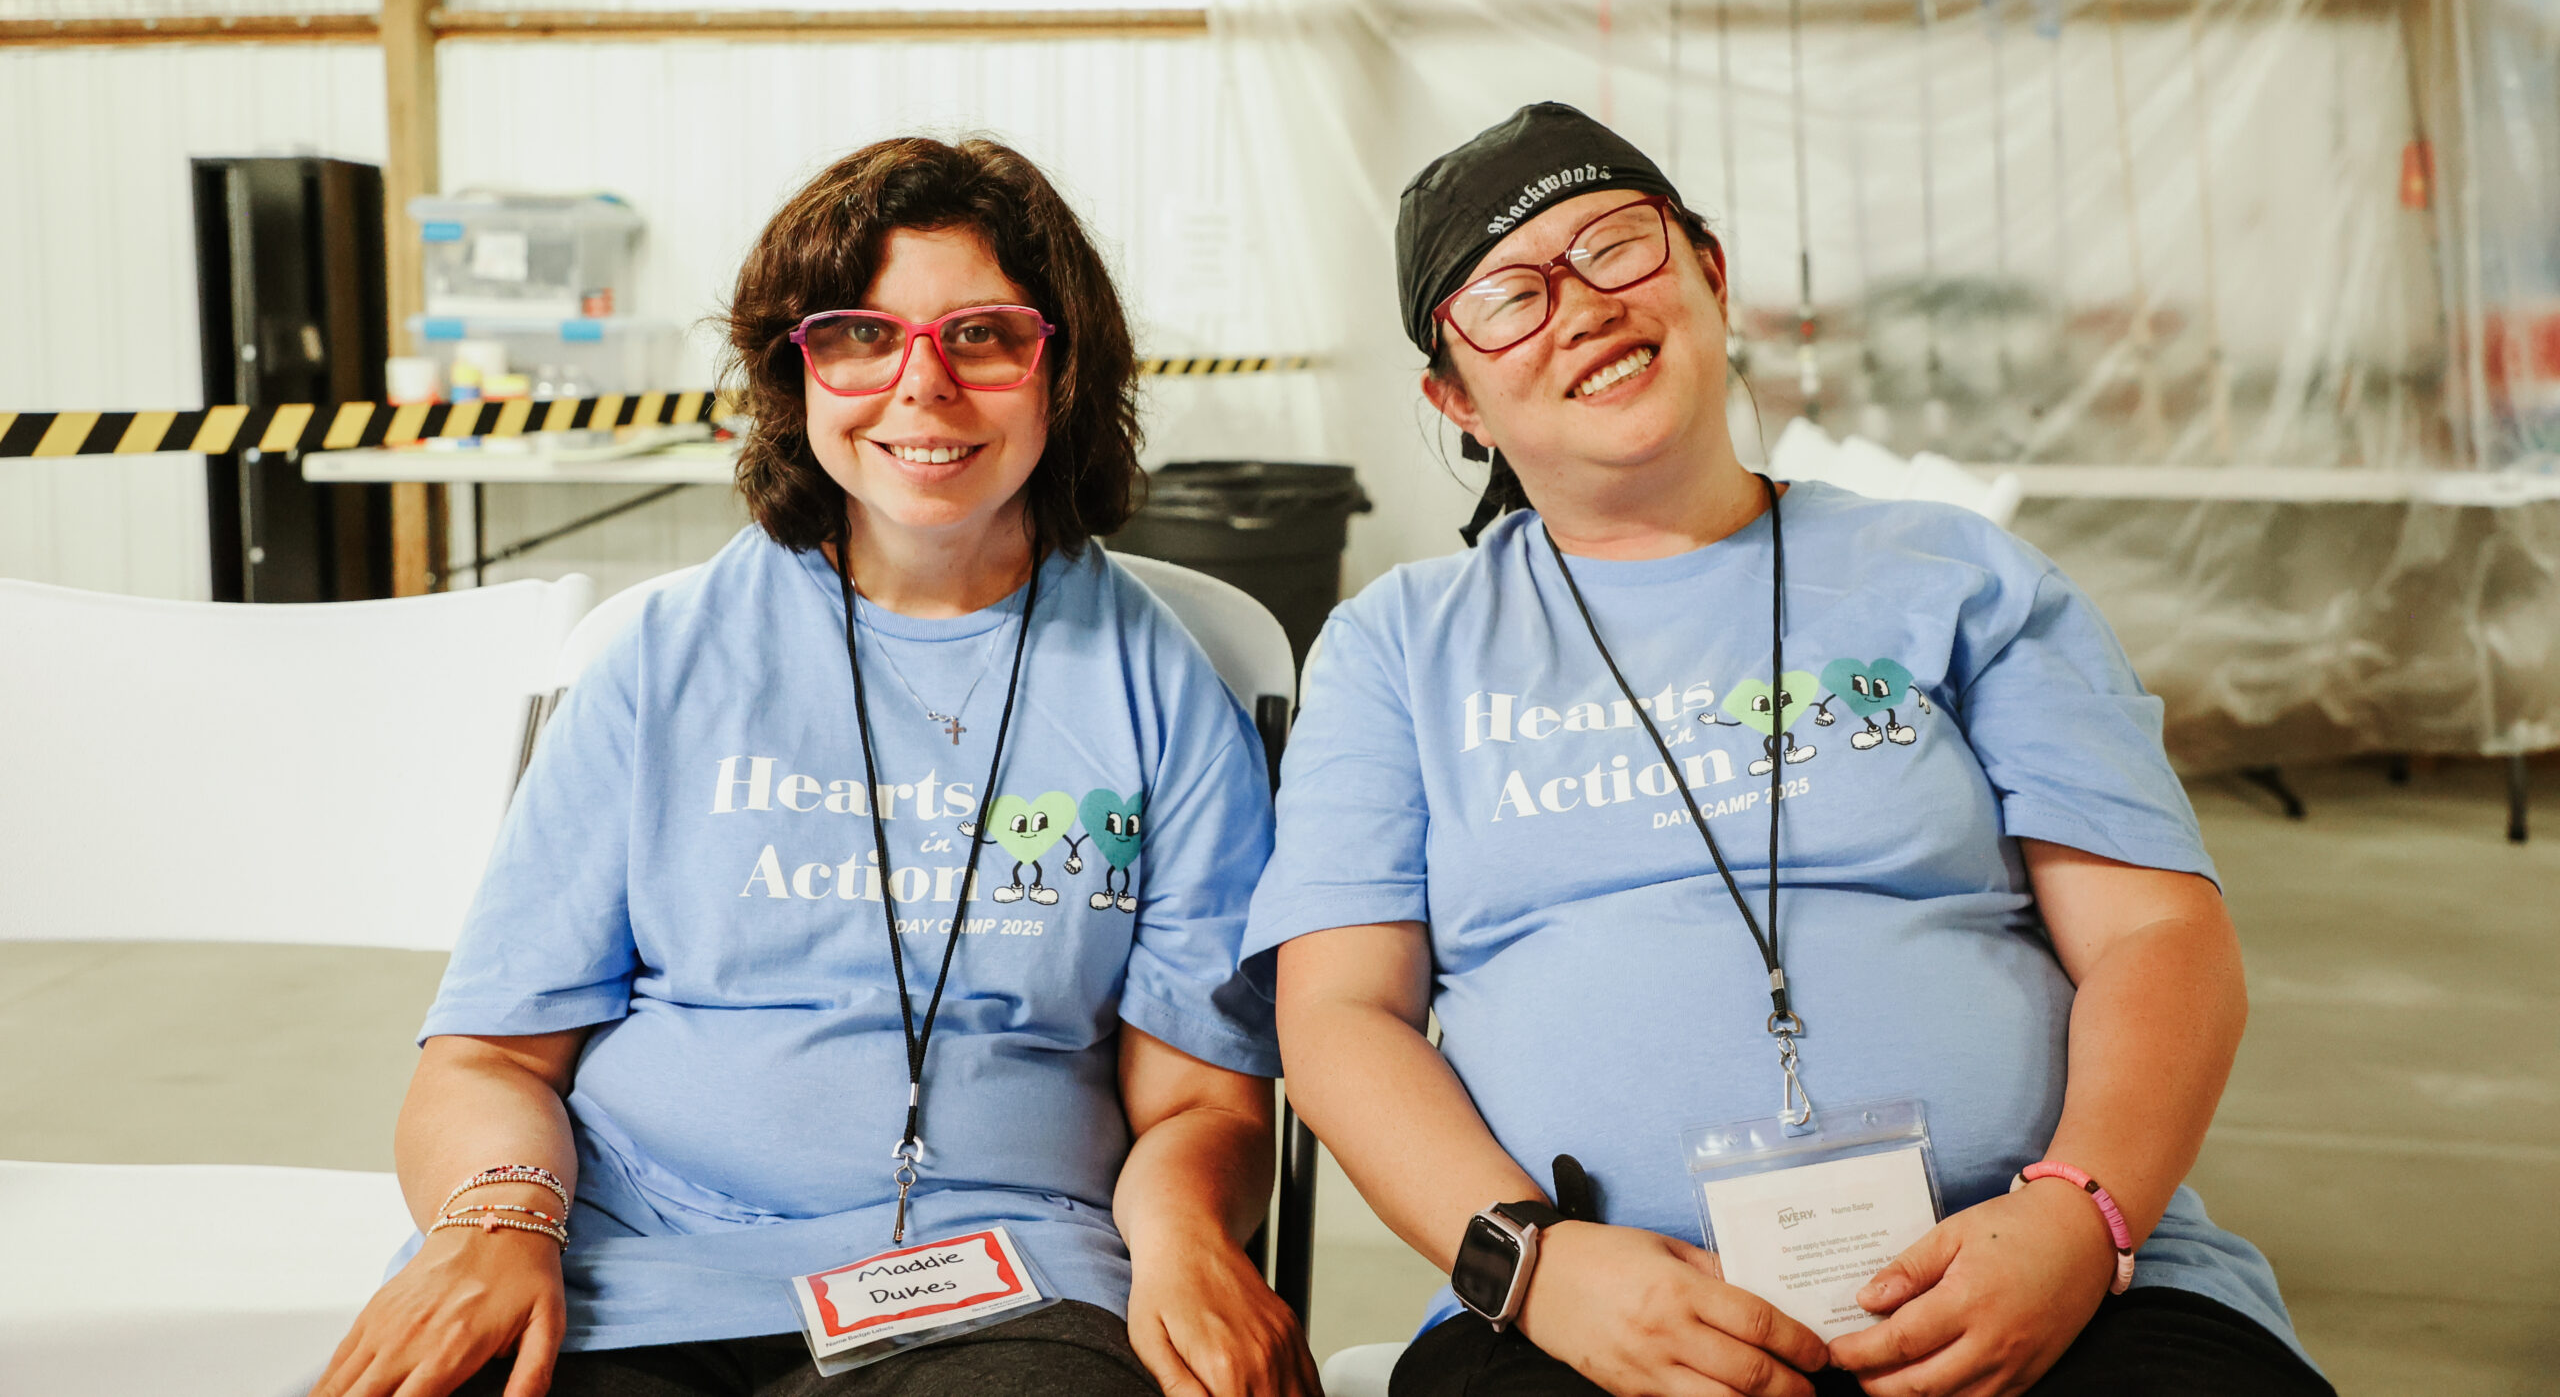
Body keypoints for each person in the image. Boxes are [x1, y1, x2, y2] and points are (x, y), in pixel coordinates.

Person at [1245, 104, 2333, 1397]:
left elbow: (2158, 935)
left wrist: (2077, 1215)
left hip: (2044, 1262)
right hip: (1587, 1305)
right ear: (1456, 398)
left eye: (1614, 246)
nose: (1581, 305)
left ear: (1709, 274)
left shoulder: (1960, 578)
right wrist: (1535, 1266)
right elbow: (1340, 1018)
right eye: (1511, 295)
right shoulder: (1397, 647)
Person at [314, 137, 1317, 1397]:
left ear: (1065, 368)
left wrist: (1180, 1238)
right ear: (795, 373)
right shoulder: (662, 659)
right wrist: (496, 1220)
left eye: (984, 336)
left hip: (1004, 1286)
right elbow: (493, 1056)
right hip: (625, 1267)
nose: (921, 387)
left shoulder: (1164, 691)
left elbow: (1202, 1108)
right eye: (858, 337)